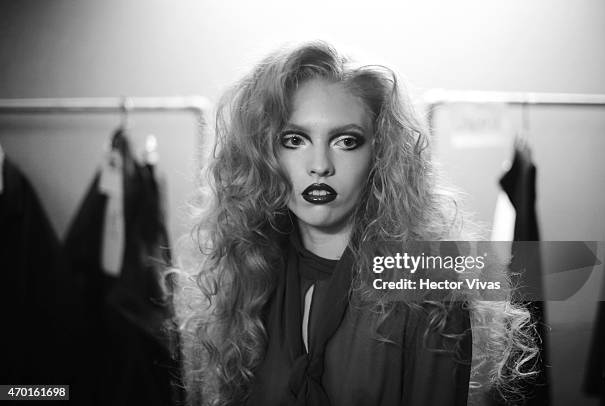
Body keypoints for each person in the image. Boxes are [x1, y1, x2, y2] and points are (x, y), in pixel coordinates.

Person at [174, 41, 539, 406]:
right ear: (264, 152)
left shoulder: (429, 282)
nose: (320, 165)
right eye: (294, 139)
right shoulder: (247, 272)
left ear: (380, 154)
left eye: (346, 141)